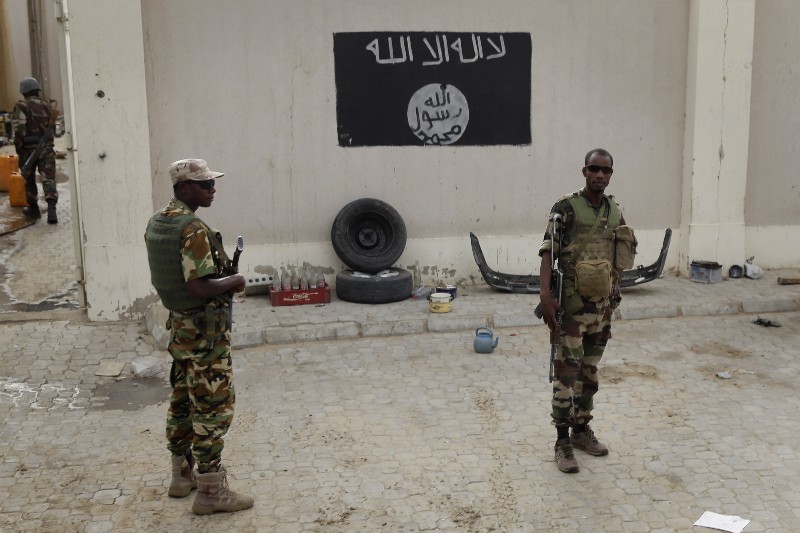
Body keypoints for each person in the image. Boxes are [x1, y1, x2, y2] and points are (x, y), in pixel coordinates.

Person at [144, 158, 253, 514]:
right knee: (212, 407)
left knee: (182, 399)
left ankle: (181, 475)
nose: (212, 189)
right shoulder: (191, 228)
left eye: (212, 183)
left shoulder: (160, 221)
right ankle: (210, 490)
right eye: (204, 185)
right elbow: (197, 285)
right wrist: (234, 281)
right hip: (204, 333)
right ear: (184, 188)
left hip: (181, 329)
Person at [538, 148, 636, 473]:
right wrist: (546, 297)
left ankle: (582, 431)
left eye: (605, 170)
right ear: (584, 171)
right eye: (594, 169)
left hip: (601, 309)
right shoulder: (565, 208)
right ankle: (562, 440)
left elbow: (621, 253)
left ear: (611, 174)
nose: (599, 175)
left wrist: (616, 288)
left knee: (589, 373)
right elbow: (547, 253)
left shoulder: (614, 211)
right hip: (571, 308)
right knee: (567, 374)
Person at [11, 77, 59, 224]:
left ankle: (34, 209)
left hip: (28, 150)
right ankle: (52, 212)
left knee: (29, 178)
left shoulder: (22, 106)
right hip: (46, 149)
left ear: (24, 91)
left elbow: (18, 130)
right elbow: (53, 131)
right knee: (49, 179)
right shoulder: (48, 106)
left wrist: (19, 150)